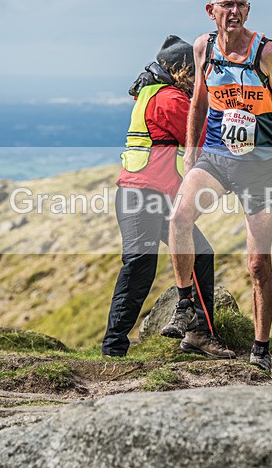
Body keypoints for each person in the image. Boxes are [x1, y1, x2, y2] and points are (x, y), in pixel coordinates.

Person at [165, 0, 272, 375]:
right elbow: (198, 104)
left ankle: (261, 346)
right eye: (226, 5)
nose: (234, 11)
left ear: (248, 10)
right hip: (217, 158)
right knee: (179, 216)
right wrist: (191, 154)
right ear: (211, 11)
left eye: (241, 4)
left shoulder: (266, 52)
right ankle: (186, 304)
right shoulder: (203, 47)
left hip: (260, 166)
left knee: (257, 264)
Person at [101, 35, 235, 360]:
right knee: (139, 268)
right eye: (196, 73)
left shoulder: (157, 93)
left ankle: (199, 335)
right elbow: (204, 136)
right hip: (141, 197)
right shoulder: (169, 99)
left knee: (200, 255)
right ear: (180, 70)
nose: (200, 79)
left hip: (157, 198)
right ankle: (113, 349)